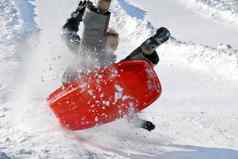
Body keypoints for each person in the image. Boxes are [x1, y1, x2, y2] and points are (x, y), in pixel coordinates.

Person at [62, 0, 171, 131]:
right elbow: (68, 34)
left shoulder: (111, 71)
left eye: (114, 45)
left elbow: (122, 97)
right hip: (74, 81)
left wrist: (138, 122)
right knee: (90, 51)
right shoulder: (84, 50)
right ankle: (146, 49)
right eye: (109, 43)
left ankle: (148, 49)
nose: (111, 48)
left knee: (124, 69)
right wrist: (78, 14)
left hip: (94, 91)